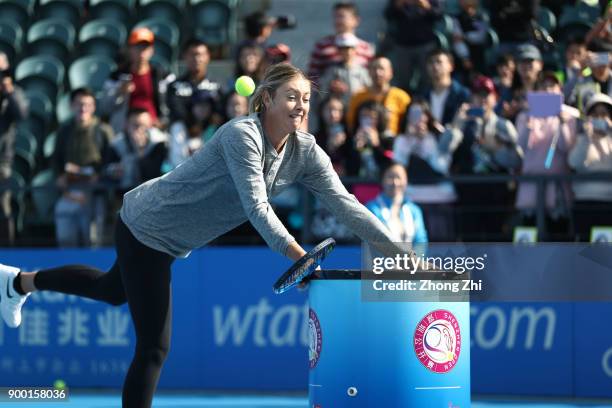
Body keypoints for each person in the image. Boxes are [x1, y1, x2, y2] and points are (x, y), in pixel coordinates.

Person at [0, 63, 406, 408]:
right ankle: (18, 284)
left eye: (305, 98)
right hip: (147, 223)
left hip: (174, 240)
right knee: (155, 347)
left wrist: (400, 254)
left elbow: (347, 204)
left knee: (112, 290)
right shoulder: (241, 135)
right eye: (291, 97)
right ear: (267, 99)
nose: (301, 106)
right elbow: (256, 206)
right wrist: (300, 256)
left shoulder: (307, 152)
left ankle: (17, 283)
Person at [441, 75, 522, 240]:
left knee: (497, 243)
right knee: (471, 246)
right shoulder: (463, 124)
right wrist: (456, 126)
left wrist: (496, 149)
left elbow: (518, 160)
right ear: (471, 98)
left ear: (495, 98)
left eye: (487, 95)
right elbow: (443, 151)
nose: (483, 99)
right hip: (468, 194)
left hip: (497, 194)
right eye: (478, 95)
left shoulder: (503, 125)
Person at [515, 72, 579, 240]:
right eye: (544, 86)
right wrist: (529, 125)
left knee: (558, 240)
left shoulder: (569, 117)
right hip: (530, 189)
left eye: (552, 86)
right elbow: (521, 147)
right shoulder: (525, 115)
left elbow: (567, 148)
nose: (548, 90)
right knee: (530, 240)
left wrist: (563, 123)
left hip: (558, 191)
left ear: (560, 92)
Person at [53, 88, 115, 247]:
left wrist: (98, 176)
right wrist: (59, 177)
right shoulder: (64, 130)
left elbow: (111, 160)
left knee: (93, 240)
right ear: (71, 106)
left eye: (88, 104)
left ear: (94, 107)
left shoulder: (103, 130)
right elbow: (56, 159)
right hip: (70, 190)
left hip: (95, 192)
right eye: (79, 104)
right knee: (66, 239)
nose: (83, 108)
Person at [393, 100, 455, 242]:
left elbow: (441, 167)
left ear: (428, 116)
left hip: (440, 200)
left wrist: (426, 143)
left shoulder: (437, 136)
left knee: (442, 250)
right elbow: (399, 167)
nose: (418, 117)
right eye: (414, 113)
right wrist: (411, 142)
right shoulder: (401, 140)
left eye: (421, 113)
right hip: (412, 200)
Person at [99, 27, 175, 134]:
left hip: (154, 129)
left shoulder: (162, 76)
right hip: (124, 130)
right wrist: (119, 92)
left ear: (152, 50)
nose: (141, 51)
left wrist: (164, 122)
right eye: (137, 47)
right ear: (130, 49)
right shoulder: (116, 76)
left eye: (145, 47)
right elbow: (104, 108)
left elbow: (175, 103)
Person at [568, 93, 612, 241]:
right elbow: (574, 163)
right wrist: (587, 138)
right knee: (583, 253)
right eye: (595, 114)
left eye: (604, 114)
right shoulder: (581, 138)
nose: (599, 118)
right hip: (583, 203)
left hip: (608, 203)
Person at [382, 0, 442, 92]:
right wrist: (398, 5)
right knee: (403, 80)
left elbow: (439, 16)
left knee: (428, 78)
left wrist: (426, 6)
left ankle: (426, 101)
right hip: (403, 45)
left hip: (426, 44)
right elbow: (388, 15)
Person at [308, 2, 374, 82]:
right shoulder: (322, 46)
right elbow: (312, 78)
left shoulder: (366, 48)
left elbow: (371, 78)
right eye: (335, 17)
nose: (338, 20)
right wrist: (329, 85)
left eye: (342, 17)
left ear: (356, 20)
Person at [105, 109, 168, 192]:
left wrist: (140, 150)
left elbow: (154, 173)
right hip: (124, 195)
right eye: (136, 125)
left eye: (145, 126)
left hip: (153, 193)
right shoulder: (117, 144)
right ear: (127, 125)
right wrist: (113, 171)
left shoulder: (159, 142)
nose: (141, 130)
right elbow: (106, 169)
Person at [0, 53, 27, 245]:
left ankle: (7, 251)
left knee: (3, 207)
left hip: (2, 161)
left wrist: (8, 91)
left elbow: (22, 114)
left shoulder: (13, 92)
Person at [346, 56, 411, 136]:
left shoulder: (401, 97)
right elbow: (351, 125)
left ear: (390, 73)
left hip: (394, 143)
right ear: (369, 72)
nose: (377, 72)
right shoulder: (358, 97)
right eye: (374, 68)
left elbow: (409, 125)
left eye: (381, 69)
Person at [366, 163, 428, 244]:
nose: (395, 182)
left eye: (399, 177)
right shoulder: (371, 208)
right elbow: (371, 240)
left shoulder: (415, 210)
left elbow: (421, 241)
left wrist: (414, 256)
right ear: (382, 180)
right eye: (390, 177)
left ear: (406, 181)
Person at [166, 38, 222, 125]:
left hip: (211, 132)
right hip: (184, 132)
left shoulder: (216, 86)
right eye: (192, 54)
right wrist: (192, 125)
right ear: (184, 56)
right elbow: (177, 112)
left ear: (208, 56)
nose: (197, 59)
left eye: (201, 54)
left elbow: (219, 112)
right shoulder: (175, 86)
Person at [419, 49, 471, 126]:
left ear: (451, 66)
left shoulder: (463, 94)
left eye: (439, 62)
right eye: (430, 62)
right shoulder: (422, 96)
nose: (435, 66)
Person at [319, 33, 371, 105]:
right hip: (338, 111)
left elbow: (370, 89)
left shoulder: (362, 71)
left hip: (357, 108)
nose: (347, 52)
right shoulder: (332, 70)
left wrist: (362, 92)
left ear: (355, 49)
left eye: (350, 48)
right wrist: (331, 89)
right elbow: (322, 91)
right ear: (339, 50)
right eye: (343, 49)